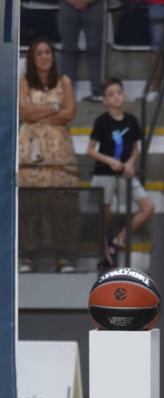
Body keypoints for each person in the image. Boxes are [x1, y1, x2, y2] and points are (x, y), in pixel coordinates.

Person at [18, 39, 81, 274]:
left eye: (48, 52)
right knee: (30, 204)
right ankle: (28, 256)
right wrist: (54, 108)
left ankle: (63, 257)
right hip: (30, 154)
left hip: (59, 153)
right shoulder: (24, 82)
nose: (45, 56)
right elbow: (23, 111)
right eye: (39, 53)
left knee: (61, 204)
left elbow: (70, 112)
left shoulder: (64, 82)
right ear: (32, 59)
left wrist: (40, 116)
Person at [87, 78, 156, 270]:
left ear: (124, 95)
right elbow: (90, 150)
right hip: (104, 173)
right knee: (104, 215)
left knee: (148, 207)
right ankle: (105, 252)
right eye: (111, 94)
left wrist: (130, 164)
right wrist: (111, 162)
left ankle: (119, 240)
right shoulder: (101, 122)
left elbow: (136, 148)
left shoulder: (131, 120)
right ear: (105, 100)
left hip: (125, 173)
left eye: (119, 93)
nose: (116, 97)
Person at [57, 0, 104, 102]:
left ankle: (97, 92)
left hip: (95, 5)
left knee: (95, 49)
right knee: (68, 49)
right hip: (67, 5)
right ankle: (66, 92)